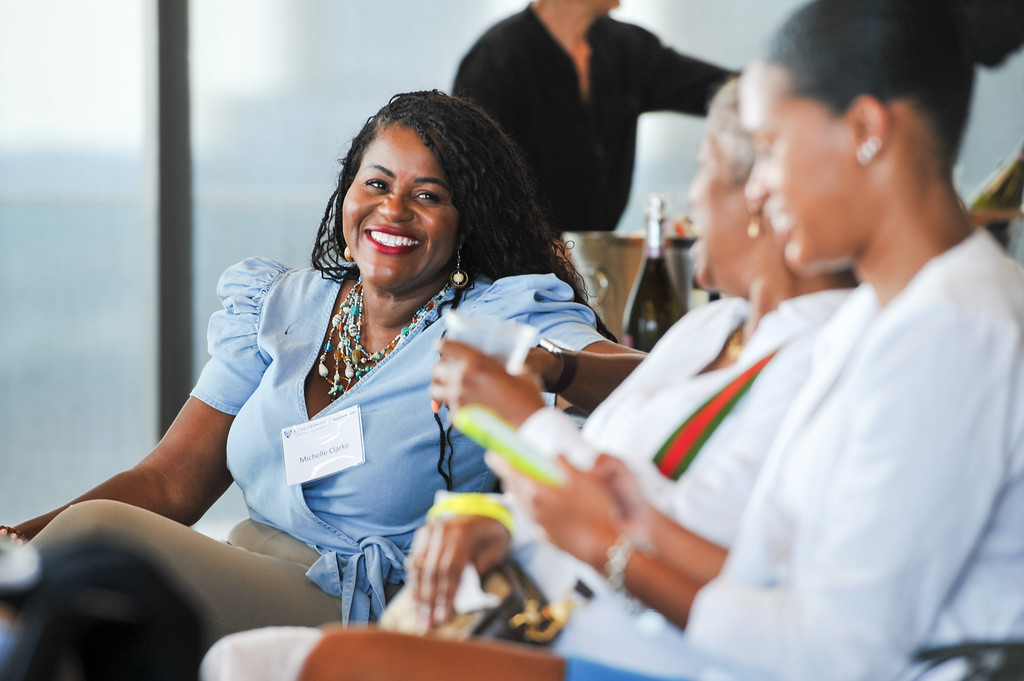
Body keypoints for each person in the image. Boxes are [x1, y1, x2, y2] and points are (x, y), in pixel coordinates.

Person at [206, 0, 1024, 679]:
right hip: (632, 624)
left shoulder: (946, 333)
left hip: (660, 650)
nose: (759, 188)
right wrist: (605, 519)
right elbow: (770, 560)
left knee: (260, 664)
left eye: (768, 150)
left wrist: (609, 542)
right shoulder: (897, 318)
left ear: (867, 134)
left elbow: (841, 649)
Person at [197, 77, 853, 680]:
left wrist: (537, 405)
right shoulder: (709, 333)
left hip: (579, 630)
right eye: (375, 184)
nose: (686, 202)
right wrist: (501, 520)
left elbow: (627, 514)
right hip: (517, 594)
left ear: (763, 197)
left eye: (703, 170)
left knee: (236, 654)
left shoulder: (809, 362)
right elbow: (603, 487)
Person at [0, 90, 641, 648]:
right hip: (243, 573)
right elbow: (169, 484)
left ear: (466, 221)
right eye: (378, 183)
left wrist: (551, 370)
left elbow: (648, 377)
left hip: (360, 611)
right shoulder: (281, 304)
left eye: (429, 195)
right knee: (81, 612)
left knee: (98, 544)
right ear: (347, 192)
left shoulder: (498, 314)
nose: (393, 211)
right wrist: (17, 541)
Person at [453, 0, 732, 233]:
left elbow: (720, 91)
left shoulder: (627, 48)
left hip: (596, 263)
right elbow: (471, 188)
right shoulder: (494, 62)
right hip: (516, 275)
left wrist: (773, 90)